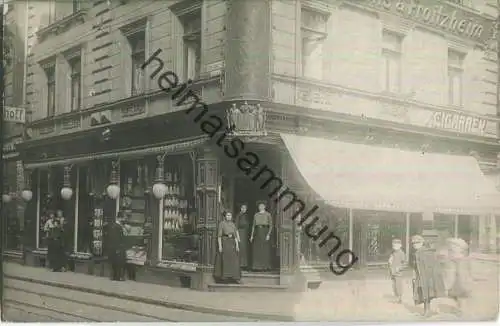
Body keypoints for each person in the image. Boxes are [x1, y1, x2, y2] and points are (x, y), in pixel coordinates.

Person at [411, 235, 446, 317]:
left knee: (427, 294)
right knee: (422, 293)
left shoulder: (426, 252)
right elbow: (415, 266)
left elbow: (432, 265)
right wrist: (414, 275)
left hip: (427, 277)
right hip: (419, 276)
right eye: (413, 243)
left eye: (417, 243)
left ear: (422, 243)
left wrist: (430, 277)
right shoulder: (416, 253)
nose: (415, 245)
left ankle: (427, 311)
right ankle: (426, 310)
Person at [443, 238, 472, 316]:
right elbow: (448, 270)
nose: (452, 248)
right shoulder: (451, 258)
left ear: (460, 248)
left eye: (454, 247)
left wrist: (468, 279)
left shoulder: (463, 258)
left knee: (461, 295)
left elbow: (467, 270)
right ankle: (459, 307)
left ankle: (461, 309)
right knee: (455, 295)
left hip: (461, 280)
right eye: (451, 247)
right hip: (454, 280)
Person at [213, 211, 241, 284]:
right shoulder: (222, 223)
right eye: (227, 215)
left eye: (230, 215)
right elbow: (219, 236)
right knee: (225, 260)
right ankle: (224, 278)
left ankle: (233, 277)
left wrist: (237, 245)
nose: (229, 216)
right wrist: (220, 246)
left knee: (233, 260)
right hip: (225, 242)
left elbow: (235, 236)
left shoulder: (233, 224)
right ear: (225, 216)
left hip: (232, 243)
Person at [250, 201, 273, 271]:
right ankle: (257, 267)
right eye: (260, 206)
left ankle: (265, 267)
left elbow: (271, 226)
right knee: (257, 250)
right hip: (257, 233)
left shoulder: (268, 214)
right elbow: (253, 226)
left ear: (265, 206)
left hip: (265, 232)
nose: (261, 207)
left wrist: (268, 234)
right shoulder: (256, 215)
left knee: (265, 250)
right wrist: (252, 236)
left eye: (262, 206)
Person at [107, 212, 127, 281]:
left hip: (116, 247)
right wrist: (117, 248)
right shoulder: (116, 226)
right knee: (118, 262)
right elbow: (115, 238)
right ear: (119, 218)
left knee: (117, 262)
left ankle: (115, 277)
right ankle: (117, 277)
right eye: (124, 217)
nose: (125, 219)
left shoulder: (117, 226)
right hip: (117, 248)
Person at [388, 238, 406, 303]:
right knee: (394, 285)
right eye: (394, 245)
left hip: (398, 272)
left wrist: (399, 268)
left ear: (400, 245)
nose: (395, 247)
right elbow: (391, 260)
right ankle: (396, 296)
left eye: (397, 245)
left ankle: (399, 298)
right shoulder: (392, 253)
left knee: (398, 285)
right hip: (392, 271)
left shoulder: (401, 253)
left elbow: (405, 263)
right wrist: (390, 261)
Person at [235, 203, 250, 269]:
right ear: (240, 208)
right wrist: (237, 235)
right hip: (240, 232)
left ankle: (244, 265)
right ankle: (239, 264)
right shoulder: (238, 215)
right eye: (243, 208)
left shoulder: (246, 215)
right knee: (241, 247)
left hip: (245, 233)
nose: (244, 209)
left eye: (245, 208)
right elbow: (236, 226)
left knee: (245, 249)